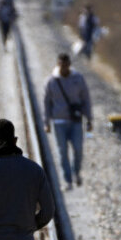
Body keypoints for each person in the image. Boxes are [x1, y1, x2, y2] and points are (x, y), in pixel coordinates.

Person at [43, 52, 93, 189]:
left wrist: (89, 119)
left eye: (65, 65)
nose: (63, 67)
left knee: (78, 149)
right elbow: (46, 103)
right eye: (61, 65)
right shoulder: (51, 81)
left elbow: (86, 99)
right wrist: (46, 122)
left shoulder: (78, 79)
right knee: (62, 152)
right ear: (58, 65)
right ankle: (68, 180)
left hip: (75, 121)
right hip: (59, 122)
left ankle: (76, 172)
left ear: (69, 65)